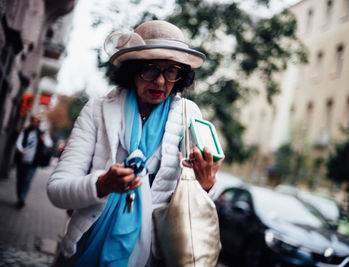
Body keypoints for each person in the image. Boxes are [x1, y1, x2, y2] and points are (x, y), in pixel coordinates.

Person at [47, 20, 224, 267]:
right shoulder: (97, 110)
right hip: (84, 245)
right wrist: (101, 184)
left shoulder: (188, 115)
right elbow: (57, 191)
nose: (161, 82)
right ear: (132, 71)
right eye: (150, 69)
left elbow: (197, 198)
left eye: (172, 70)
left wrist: (206, 186)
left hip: (151, 255)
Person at [15, 114, 53, 208]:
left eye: (37, 121)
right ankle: (19, 195)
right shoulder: (25, 131)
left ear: (39, 123)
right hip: (22, 160)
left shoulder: (42, 133)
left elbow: (49, 144)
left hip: (33, 162)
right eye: (34, 121)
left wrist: (43, 140)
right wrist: (21, 149)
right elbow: (18, 142)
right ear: (31, 121)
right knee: (20, 180)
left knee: (27, 181)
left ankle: (22, 199)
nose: (35, 123)